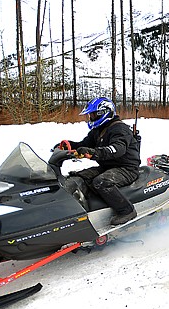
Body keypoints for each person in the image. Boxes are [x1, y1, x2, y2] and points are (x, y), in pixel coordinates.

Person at [57, 97, 141, 226]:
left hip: (127, 168)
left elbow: (117, 149)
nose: (91, 117)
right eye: (90, 115)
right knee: (80, 177)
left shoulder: (120, 129)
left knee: (101, 182)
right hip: (108, 166)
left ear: (104, 112)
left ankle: (126, 210)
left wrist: (94, 153)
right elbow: (84, 144)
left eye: (93, 114)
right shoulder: (98, 130)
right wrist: (68, 145)